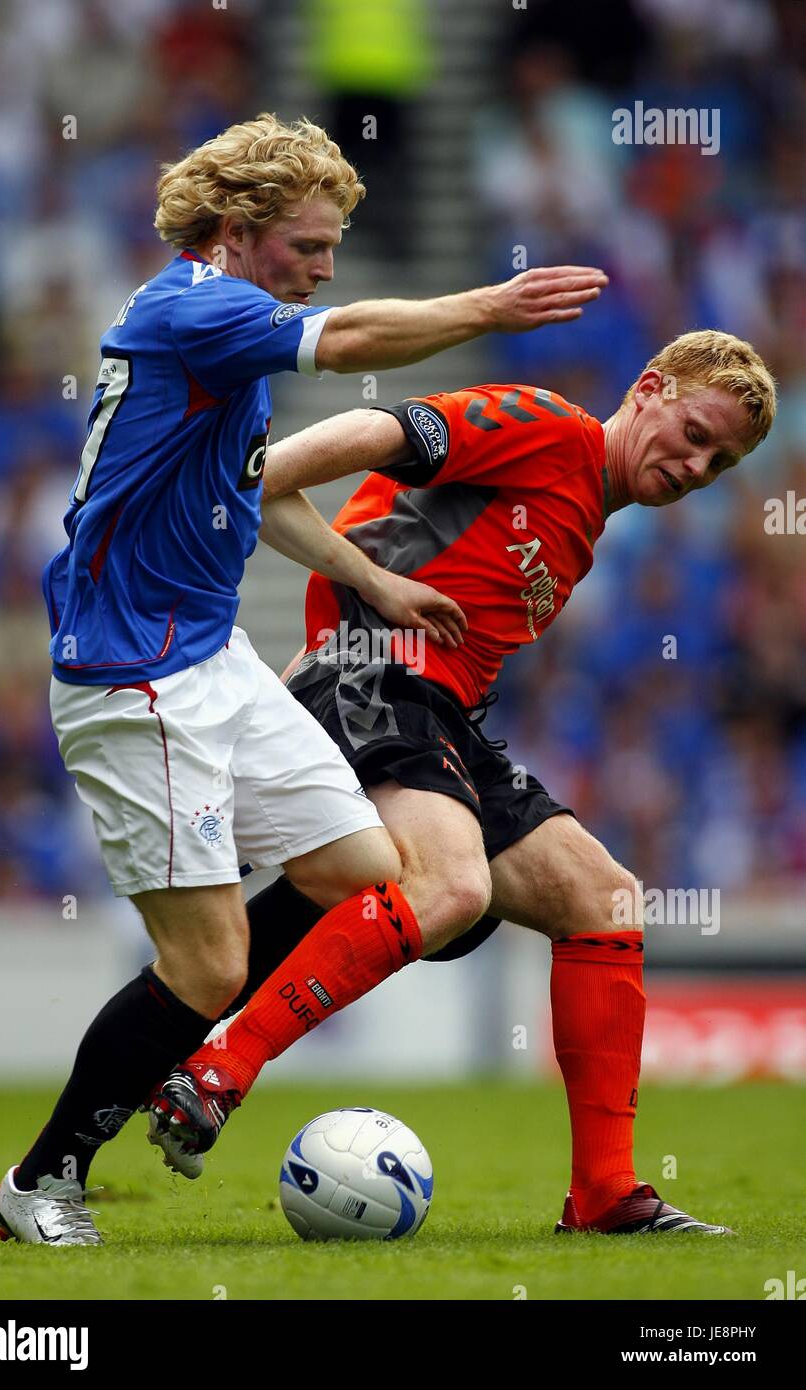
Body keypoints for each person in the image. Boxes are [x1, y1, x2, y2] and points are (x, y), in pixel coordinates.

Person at [0, 112, 607, 1246]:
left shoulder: (222, 334)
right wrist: (486, 308)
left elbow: (247, 496)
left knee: (380, 877)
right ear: (238, 229)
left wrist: (372, 575)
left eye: (329, 252)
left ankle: (208, 1029)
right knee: (212, 956)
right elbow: (359, 333)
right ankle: (44, 1178)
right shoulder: (194, 307)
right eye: (308, 247)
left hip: (211, 652)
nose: (323, 269)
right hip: (135, 680)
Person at [147, 329, 776, 1236]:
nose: (695, 464)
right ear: (648, 388)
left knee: (604, 898)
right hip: (373, 674)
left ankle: (603, 1192)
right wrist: (253, 472)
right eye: (693, 432)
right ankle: (215, 1072)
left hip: (437, 712)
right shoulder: (547, 428)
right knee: (451, 882)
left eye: (716, 461)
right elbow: (382, 428)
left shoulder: (584, 528)